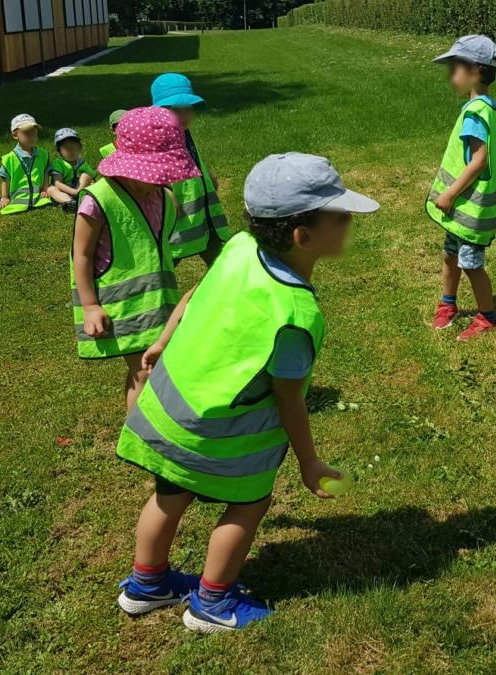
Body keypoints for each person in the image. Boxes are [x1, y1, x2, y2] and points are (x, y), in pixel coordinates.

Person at [113, 152, 378, 633]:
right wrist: (309, 463)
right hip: (220, 433)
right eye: (340, 217)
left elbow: (193, 297)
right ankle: (211, 603)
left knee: (169, 495)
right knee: (250, 504)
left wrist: (162, 341)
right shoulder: (296, 314)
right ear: (303, 236)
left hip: (171, 415)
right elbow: (289, 399)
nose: (348, 224)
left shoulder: (237, 246)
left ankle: (145, 586)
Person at [71, 107, 195, 410]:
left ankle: (145, 432)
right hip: (122, 307)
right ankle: (142, 438)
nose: (157, 178)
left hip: (161, 303)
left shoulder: (166, 198)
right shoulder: (97, 200)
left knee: (152, 368)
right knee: (145, 371)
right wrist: (89, 306)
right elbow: (82, 253)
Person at [426, 35, 496, 340]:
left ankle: (488, 316)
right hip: (464, 210)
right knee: (450, 255)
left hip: (469, 208)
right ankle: (448, 304)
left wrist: (449, 193)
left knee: (471, 263)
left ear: (476, 71)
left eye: (455, 68)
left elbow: (479, 161)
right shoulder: (484, 108)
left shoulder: (475, 113)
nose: (450, 76)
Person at [151, 73, 230, 266]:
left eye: (188, 109)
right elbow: (150, 170)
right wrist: (164, 192)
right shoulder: (156, 138)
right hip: (176, 218)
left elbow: (192, 156)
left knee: (221, 264)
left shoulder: (184, 132)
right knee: (165, 265)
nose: (184, 116)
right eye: (175, 110)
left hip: (203, 215)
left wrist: (207, 172)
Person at [0, 114, 54, 214]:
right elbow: (5, 178)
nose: (31, 136)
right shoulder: (9, 158)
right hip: (18, 200)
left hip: (39, 198)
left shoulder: (43, 154)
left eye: (34, 133)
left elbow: (46, 172)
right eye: (27, 133)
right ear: (15, 135)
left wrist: (45, 189)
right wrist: (4, 197)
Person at [48, 127, 98, 211]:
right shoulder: (59, 163)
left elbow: (92, 176)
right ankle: (69, 202)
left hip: (80, 189)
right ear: (59, 150)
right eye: (66, 148)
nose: (71, 150)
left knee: (86, 176)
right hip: (64, 191)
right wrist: (74, 192)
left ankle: (81, 198)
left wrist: (90, 182)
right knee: (51, 189)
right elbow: (57, 183)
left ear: (79, 147)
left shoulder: (82, 162)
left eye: (73, 147)